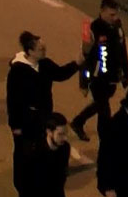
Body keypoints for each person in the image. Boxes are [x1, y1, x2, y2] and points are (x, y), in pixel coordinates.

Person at [7, 31, 79, 188]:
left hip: (44, 116)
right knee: (23, 151)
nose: (44, 51)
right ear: (30, 51)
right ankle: (20, 182)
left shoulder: (44, 64)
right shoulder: (18, 71)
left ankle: (40, 178)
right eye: (41, 49)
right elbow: (12, 100)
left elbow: (60, 74)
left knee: (41, 147)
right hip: (25, 118)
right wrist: (15, 126)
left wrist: (76, 64)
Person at [71, 0, 128, 142]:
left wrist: (125, 73)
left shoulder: (117, 27)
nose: (115, 17)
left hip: (112, 76)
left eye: (116, 14)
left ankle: (78, 122)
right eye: (111, 14)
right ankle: (106, 140)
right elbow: (85, 58)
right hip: (98, 77)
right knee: (104, 111)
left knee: (99, 104)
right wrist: (84, 82)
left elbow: (123, 51)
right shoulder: (93, 29)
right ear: (102, 11)